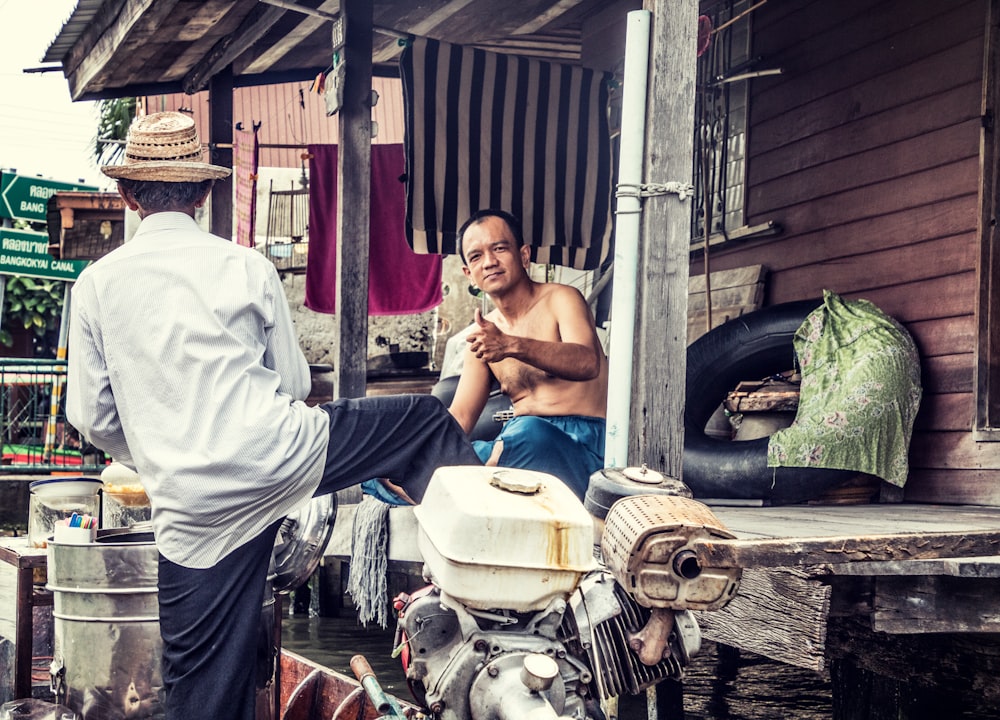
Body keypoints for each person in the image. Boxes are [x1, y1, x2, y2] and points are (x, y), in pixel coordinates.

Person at [65, 111, 480, 720]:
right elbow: (291, 384)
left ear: (128, 193)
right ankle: (482, 588)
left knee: (201, 684)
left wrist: (164, 452)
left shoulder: (96, 284)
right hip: (278, 456)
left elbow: (93, 416)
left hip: (192, 507)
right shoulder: (247, 266)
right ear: (204, 192)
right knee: (422, 424)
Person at [448, 209, 608, 498]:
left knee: (528, 434)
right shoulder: (483, 334)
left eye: (499, 248)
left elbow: (587, 362)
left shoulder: (561, 298)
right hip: (515, 444)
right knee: (405, 464)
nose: (489, 262)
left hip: (581, 448)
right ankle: (463, 478)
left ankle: (472, 482)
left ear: (523, 255)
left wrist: (511, 345)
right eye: (476, 257)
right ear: (468, 274)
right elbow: (460, 417)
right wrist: (414, 451)